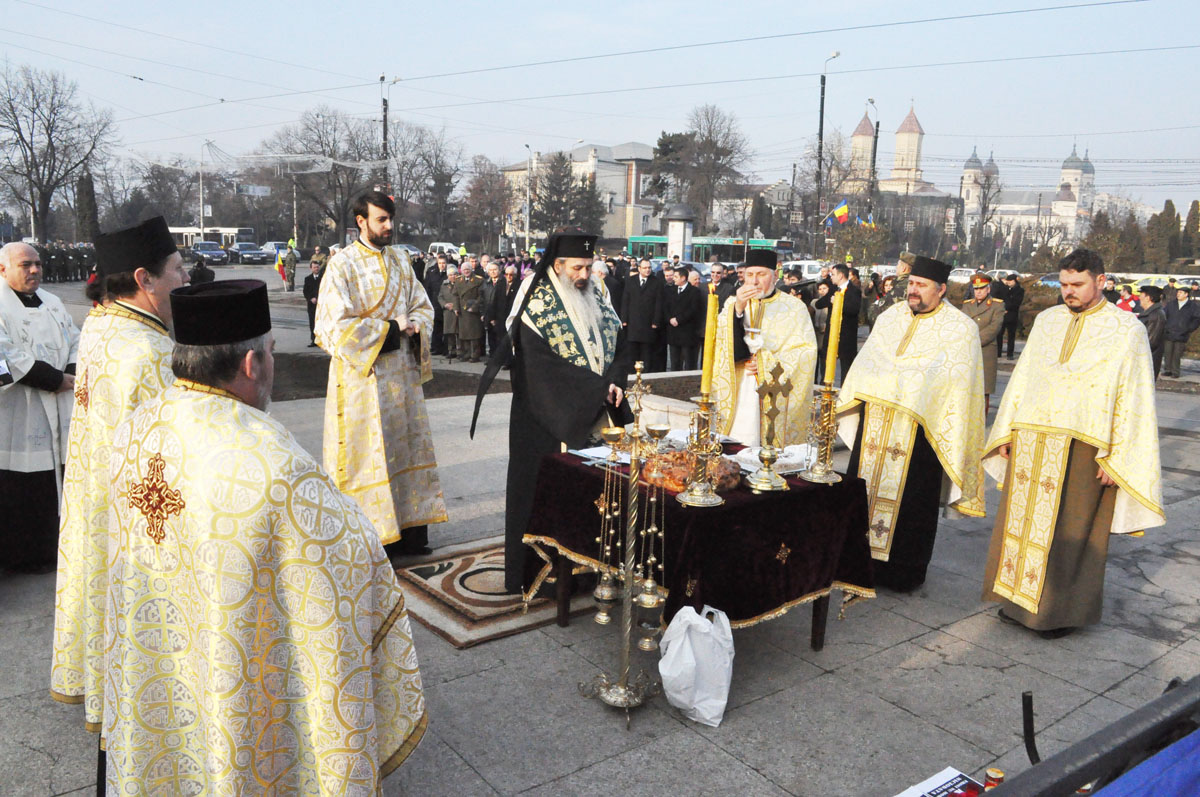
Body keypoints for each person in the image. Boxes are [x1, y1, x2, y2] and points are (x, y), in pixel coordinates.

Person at [101, 279, 427, 793]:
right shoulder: (275, 465)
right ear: (252, 364)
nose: (272, 362)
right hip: (233, 666)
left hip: (162, 648)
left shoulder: (140, 424)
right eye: (272, 352)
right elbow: (352, 557)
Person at [981, 249, 1164, 637]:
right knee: (1021, 525)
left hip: (1084, 446)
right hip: (1032, 440)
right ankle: (1016, 604)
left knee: (1071, 533)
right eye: (1064, 284)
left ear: (1101, 280)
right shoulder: (1047, 321)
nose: (1069, 292)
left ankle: (1056, 614)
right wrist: (1008, 430)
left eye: (1077, 285)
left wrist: (1118, 454)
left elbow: (1135, 398)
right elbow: (1024, 380)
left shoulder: (1126, 329)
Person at [51, 216, 187, 735]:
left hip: (96, 506)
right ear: (144, 278)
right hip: (140, 525)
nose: (186, 278)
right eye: (176, 269)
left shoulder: (103, 324)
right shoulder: (150, 352)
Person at [472, 231, 631, 594]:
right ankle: (542, 578)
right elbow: (539, 368)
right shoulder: (536, 301)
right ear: (557, 266)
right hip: (545, 420)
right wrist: (595, 389)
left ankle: (592, 571)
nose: (584, 274)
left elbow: (620, 345)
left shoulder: (599, 294)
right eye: (577, 267)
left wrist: (617, 380)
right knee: (544, 497)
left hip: (596, 415)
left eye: (589, 267)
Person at [836, 255, 986, 592]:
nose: (913, 291)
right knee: (863, 493)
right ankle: (857, 562)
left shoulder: (961, 329)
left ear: (942, 289)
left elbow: (958, 387)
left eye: (921, 285)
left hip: (920, 431)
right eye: (912, 284)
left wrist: (914, 392)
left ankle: (904, 571)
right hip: (876, 422)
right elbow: (868, 363)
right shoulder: (890, 318)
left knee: (914, 504)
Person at [314, 191, 447, 559]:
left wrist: (416, 324)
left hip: (402, 379)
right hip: (363, 380)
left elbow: (423, 305)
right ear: (361, 221)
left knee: (403, 451)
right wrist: (391, 329)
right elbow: (330, 327)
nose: (389, 227)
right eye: (381, 220)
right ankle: (371, 539)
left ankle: (409, 533)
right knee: (367, 455)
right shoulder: (342, 266)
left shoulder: (402, 260)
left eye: (391, 220)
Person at [0, 242, 79, 573]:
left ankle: (52, 550)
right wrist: (52, 379)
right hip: (20, 408)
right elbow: (6, 354)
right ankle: (19, 556)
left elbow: (75, 338)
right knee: (22, 484)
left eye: (37, 264)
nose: (34, 270)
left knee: (53, 479)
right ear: (3, 269)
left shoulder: (54, 302)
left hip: (59, 403)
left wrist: (71, 373)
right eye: (25, 265)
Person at [712, 248, 817, 447]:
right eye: (749, 275)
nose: (754, 281)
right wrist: (738, 310)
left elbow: (805, 352)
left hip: (772, 386)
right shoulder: (733, 303)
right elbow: (719, 340)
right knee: (736, 441)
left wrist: (765, 364)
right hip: (738, 381)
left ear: (775, 276)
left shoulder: (794, 307)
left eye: (761, 275)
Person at [813, 263, 862, 384]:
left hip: (846, 335)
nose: (831, 277)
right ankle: (825, 387)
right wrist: (828, 296)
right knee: (826, 361)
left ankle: (844, 391)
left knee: (846, 365)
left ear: (840, 276)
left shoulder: (854, 291)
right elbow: (819, 304)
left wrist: (839, 302)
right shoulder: (833, 290)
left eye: (833, 274)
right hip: (831, 333)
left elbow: (854, 309)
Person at [962, 273, 1005, 410]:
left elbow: (994, 328)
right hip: (967, 351)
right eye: (976, 289)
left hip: (985, 351)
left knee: (983, 390)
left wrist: (974, 340)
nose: (978, 292)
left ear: (988, 289)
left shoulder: (997, 306)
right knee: (965, 387)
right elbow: (961, 324)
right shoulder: (968, 306)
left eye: (982, 288)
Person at [620, 257, 662, 370]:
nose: (647, 270)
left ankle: (645, 378)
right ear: (639, 268)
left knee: (646, 355)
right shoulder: (630, 280)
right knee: (632, 354)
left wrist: (655, 321)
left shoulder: (656, 282)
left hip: (648, 325)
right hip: (633, 324)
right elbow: (625, 300)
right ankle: (631, 378)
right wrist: (624, 319)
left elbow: (659, 303)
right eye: (645, 268)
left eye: (649, 268)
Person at [664, 265, 701, 371]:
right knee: (675, 363)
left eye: (675, 276)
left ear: (683, 278)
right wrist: (670, 318)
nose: (673, 278)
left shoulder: (694, 292)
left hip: (687, 333)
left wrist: (679, 319)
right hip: (673, 332)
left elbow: (693, 310)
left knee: (689, 362)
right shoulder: (671, 290)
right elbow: (666, 307)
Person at [452, 256, 485, 362]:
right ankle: (466, 353)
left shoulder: (478, 280)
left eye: (468, 269)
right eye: (464, 269)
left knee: (474, 335)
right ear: (461, 270)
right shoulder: (458, 280)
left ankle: (475, 355)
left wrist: (474, 306)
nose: (466, 271)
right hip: (462, 311)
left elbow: (481, 296)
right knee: (464, 334)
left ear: (471, 270)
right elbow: (455, 295)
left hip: (472, 311)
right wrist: (456, 308)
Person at [1162, 285, 1200, 378]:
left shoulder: (1192, 306)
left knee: (1177, 354)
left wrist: (1189, 328)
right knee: (1168, 352)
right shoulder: (1171, 304)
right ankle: (1167, 370)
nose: (1178, 294)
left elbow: (1197, 319)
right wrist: (1165, 327)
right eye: (1178, 292)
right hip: (1169, 332)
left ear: (1186, 294)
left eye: (1181, 292)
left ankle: (1175, 371)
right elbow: (1164, 315)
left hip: (1182, 333)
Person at [1136, 286, 1166, 380]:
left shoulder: (1156, 315)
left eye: (1141, 295)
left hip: (1147, 362)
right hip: (1142, 361)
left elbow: (1150, 342)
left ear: (1148, 298)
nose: (1139, 297)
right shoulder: (1149, 313)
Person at [424, 253, 449, 355]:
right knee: (436, 326)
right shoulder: (432, 272)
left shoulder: (449, 272)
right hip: (434, 302)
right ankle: (435, 346)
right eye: (440, 263)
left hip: (446, 302)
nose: (442, 265)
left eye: (443, 263)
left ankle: (446, 348)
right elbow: (427, 287)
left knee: (446, 327)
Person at [997, 273, 1024, 359]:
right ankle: (998, 352)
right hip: (1003, 314)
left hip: (1012, 315)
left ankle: (1010, 353)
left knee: (1011, 335)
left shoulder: (1019, 290)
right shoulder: (1005, 289)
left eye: (1011, 281)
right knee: (999, 334)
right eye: (1007, 281)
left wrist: (1008, 308)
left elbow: (1016, 303)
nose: (1009, 282)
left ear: (1015, 280)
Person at [438, 265, 461, 361]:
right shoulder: (444, 285)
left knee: (458, 333)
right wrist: (445, 305)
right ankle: (451, 351)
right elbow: (440, 297)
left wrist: (455, 306)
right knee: (449, 333)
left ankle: (459, 352)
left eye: (455, 274)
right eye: (450, 275)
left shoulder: (460, 283)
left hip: (458, 311)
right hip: (448, 312)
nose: (453, 276)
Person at [810, 282, 830, 383]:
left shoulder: (831, 302)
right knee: (814, 363)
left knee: (824, 363)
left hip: (825, 336)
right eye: (820, 289)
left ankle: (824, 383)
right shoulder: (814, 302)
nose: (822, 291)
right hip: (815, 335)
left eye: (824, 288)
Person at [302, 259, 322, 346]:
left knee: (321, 323)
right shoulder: (308, 279)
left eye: (317, 267)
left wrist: (318, 298)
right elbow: (305, 291)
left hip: (321, 305)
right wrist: (310, 298)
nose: (316, 269)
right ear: (311, 268)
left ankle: (322, 341)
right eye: (314, 267)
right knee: (312, 323)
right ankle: (314, 340)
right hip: (311, 305)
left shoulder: (323, 278)